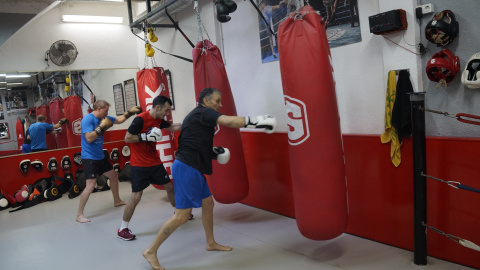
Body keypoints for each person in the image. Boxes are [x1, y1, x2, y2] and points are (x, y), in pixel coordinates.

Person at [142, 88, 277, 270]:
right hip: (187, 168)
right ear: (206, 101)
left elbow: (190, 142)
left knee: (208, 203)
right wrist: (258, 122)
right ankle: (151, 250)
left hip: (192, 166)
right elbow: (228, 120)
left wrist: (212, 153)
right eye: (217, 101)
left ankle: (210, 242)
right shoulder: (205, 112)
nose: (220, 105)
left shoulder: (197, 116)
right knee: (182, 216)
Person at [117, 95, 181, 241]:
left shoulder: (158, 120)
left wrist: (187, 122)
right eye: (165, 110)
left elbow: (172, 128)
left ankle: (178, 214)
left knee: (169, 187)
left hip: (155, 163)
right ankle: (122, 228)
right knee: (136, 196)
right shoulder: (140, 119)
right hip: (139, 165)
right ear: (157, 107)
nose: (166, 113)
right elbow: (127, 138)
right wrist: (145, 137)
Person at [76, 100, 141, 223]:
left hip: (100, 157)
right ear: (99, 108)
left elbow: (119, 120)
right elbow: (89, 138)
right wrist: (101, 128)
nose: (107, 112)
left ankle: (117, 200)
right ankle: (79, 214)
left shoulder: (105, 118)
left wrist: (130, 112)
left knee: (114, 176)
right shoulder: (87, 120)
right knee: (90, 186)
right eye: (105, 110)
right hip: (89, 158)